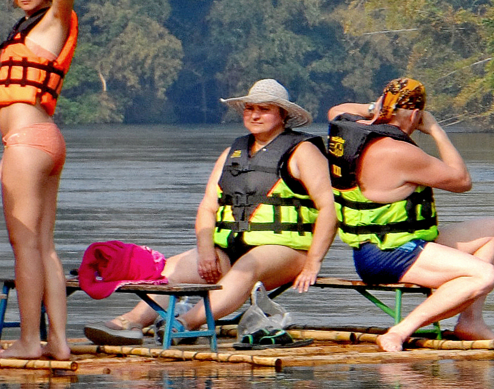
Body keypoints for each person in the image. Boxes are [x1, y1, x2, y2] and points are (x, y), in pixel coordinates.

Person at [88, 79, 336, 344]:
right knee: (172, 268)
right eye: (249, 108)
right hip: (230, 247)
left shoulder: (303, 151)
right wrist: (206, 250)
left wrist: (314, 262)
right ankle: (132, 321)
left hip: (285, 251)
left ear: (282, 115)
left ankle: (185, 323)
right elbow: (208, 206)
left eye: (264, 109)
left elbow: (328, 207)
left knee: (248, 266)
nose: (254, 115)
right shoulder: (233, 152)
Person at [325, 78, 494, 351]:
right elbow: (462, 181)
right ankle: (399, 332)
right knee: (484, 275)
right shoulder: (399, 152)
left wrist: (379, 108)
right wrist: (435, 129)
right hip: (388, 255)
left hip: (386, 245)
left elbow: (336, 108)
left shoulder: (349, 130)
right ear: (416, 115)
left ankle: (471, 322)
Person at [0, 0, 76, 360]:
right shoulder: (24, 30)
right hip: (43, 140)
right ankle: (58, 341)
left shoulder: (54, 20)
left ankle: (29, 340)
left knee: (24, 245)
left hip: (27, 142)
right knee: (44, 246)